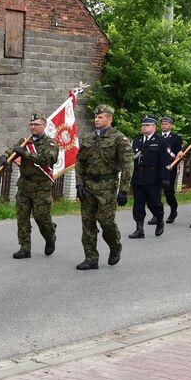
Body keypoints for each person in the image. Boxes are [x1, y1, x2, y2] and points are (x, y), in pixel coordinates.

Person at [74, 105, 134, 270]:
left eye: (100, 117)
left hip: (107, 186)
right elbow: (79, 161)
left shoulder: (119, 139)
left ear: (109, 119)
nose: (96, 120)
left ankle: (115, 245)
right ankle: (91, 258)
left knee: (106, 221)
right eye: (96, 117)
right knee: (88, 223)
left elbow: (128, 165)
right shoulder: (88, 138)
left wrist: (124, 190)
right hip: (88, 185)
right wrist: (79, 183)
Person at [0, 113, 59, 259]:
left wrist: (25, 154)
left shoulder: (50, 143)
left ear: (44, 126)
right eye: (31, 124)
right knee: (22, 217)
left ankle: (50, 236)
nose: (33, 127)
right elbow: (12, 150)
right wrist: (4, 157)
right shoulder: (25, 141)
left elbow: (47, 159)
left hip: (41, 187)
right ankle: (25, 247)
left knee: (41, 218)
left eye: (36, 124)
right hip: (24, 186)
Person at [128, 117, 171, 239]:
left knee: (154, 203)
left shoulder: (161, 141)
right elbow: (132, 160)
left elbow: (165, 161)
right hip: (138, 177)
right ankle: (139, 229)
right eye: (143, 125)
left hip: (153, 178)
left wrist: (165, 178)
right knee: (138, 204)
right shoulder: (136, 141)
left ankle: (159, 219)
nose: (144, 127)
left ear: (154, 127)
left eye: (147, 125)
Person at [150, 116, 183, 224]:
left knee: (168, 192)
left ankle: (173, 210)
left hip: (170, 168)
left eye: (166, 124)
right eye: (163, 124)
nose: (164, 126)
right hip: (157, 168)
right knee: (155, 193)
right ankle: (157, 215)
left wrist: (174, 164)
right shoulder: (156, 137)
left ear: (171, 125)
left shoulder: (176, 138)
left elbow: (179, 155)